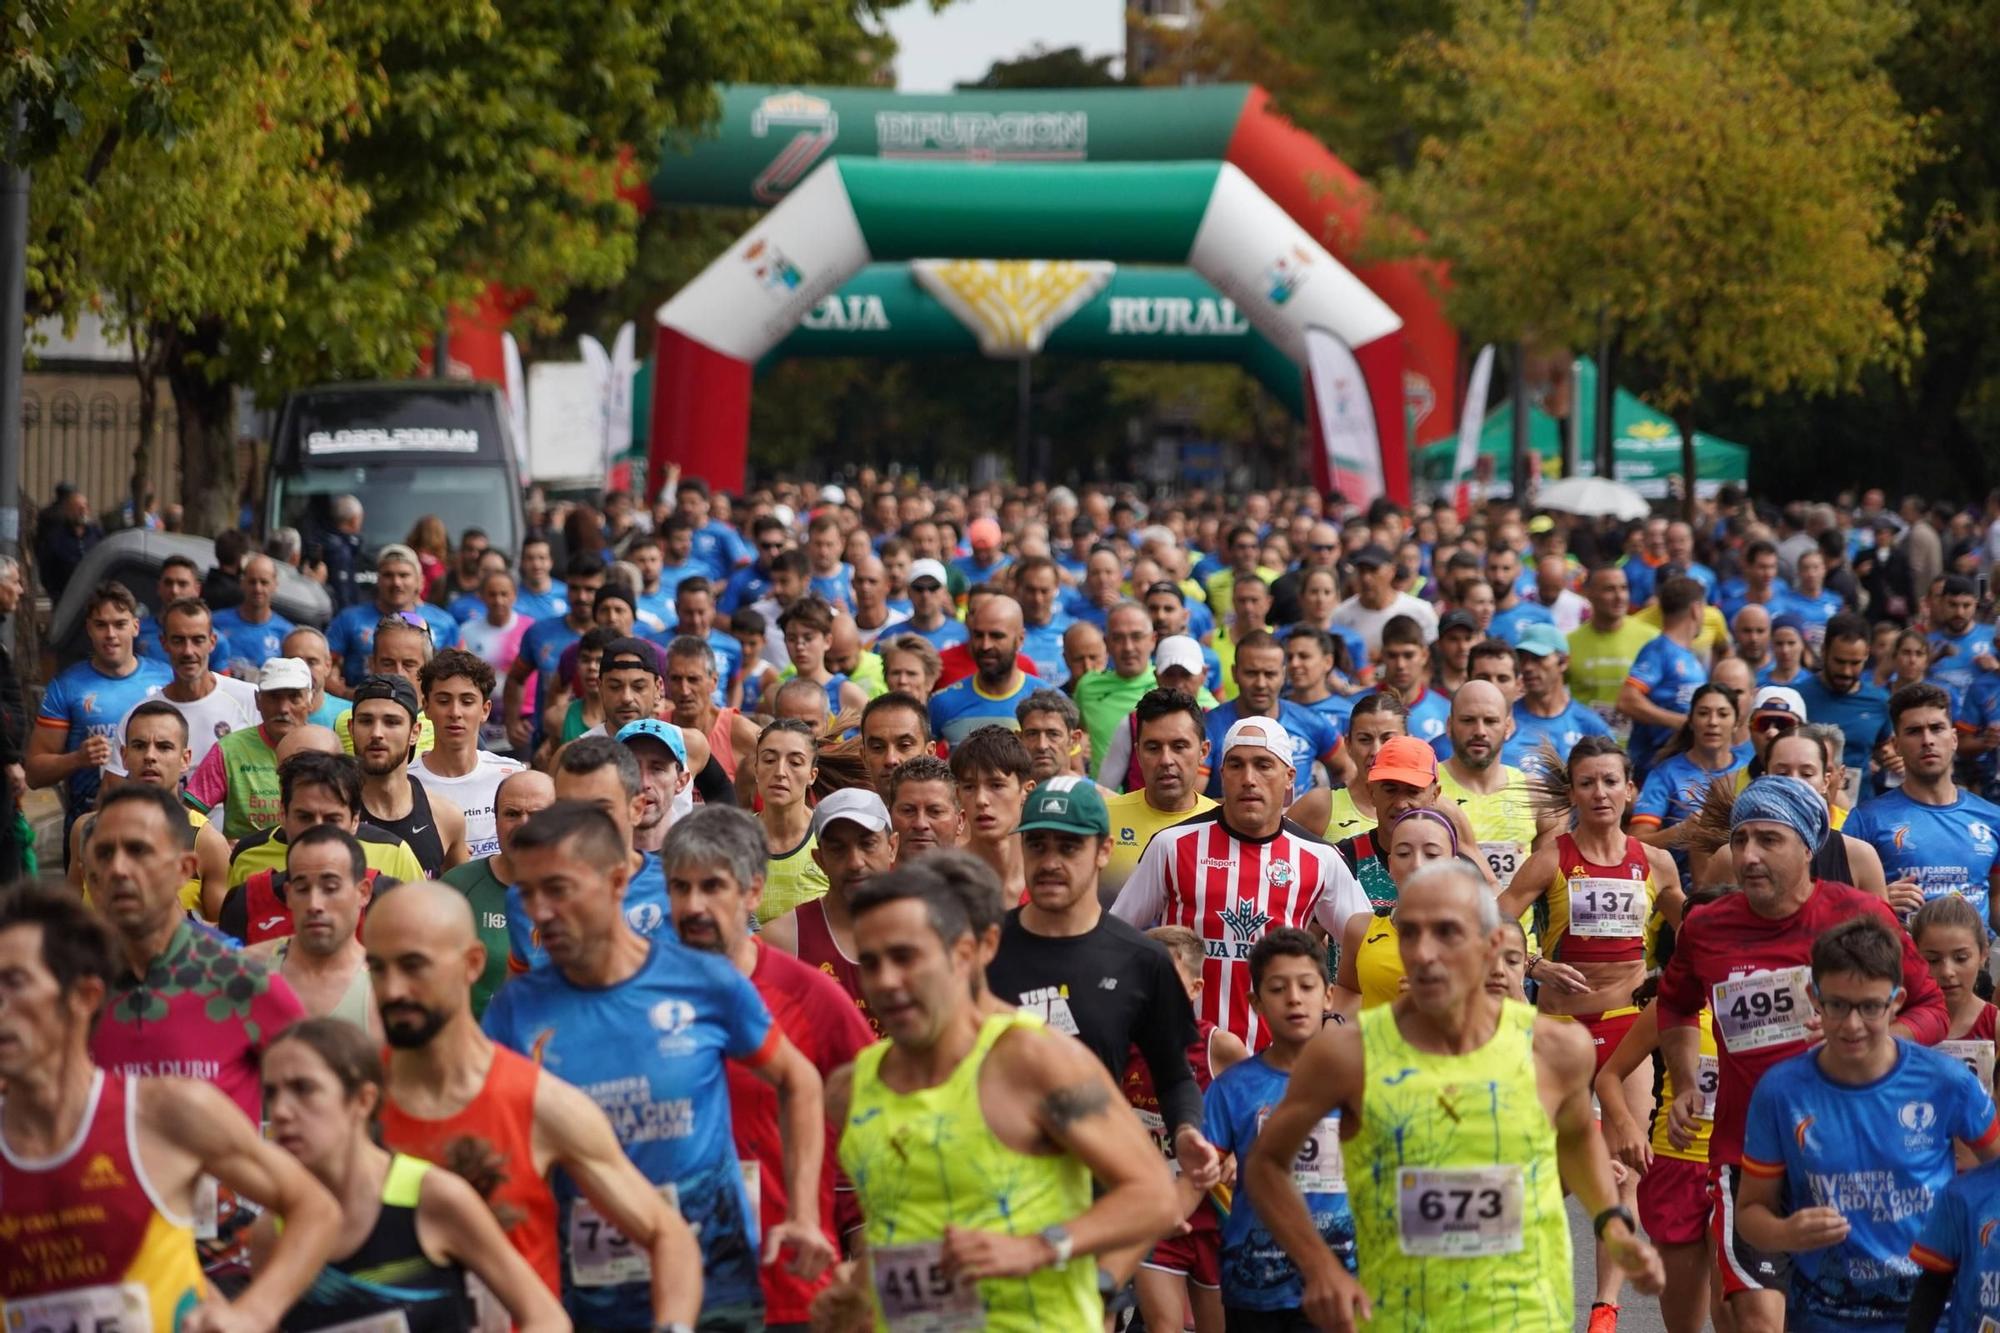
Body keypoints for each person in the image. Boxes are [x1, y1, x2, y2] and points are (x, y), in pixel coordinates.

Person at [1245, 859, 1664, 1332]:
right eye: (1410, 933)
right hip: (1399, 1318)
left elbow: (1576, 1138)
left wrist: (1610, 1219)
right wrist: (1318, 1266)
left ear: (1489, 947)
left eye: (1446, 932)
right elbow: (1264, 1165)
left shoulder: (1556, 1049)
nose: (1424, 952)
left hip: (1525, 1313)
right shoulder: (1347, 1054)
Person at [490, 801, 831, 1329]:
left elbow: (799, 1079)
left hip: (716, 1285)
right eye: (527, 894)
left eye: (558, 889)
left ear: (619, 880)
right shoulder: (515, 1011)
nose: (540, 912)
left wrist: (804, 1214)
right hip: (589, 1295)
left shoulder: (702, 981)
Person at [825, 863, 1183, 1331]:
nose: (887, 980)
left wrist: (1038, 1247)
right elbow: (902, 1226)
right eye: (870, 962)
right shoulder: (852, 1088)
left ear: (965, 953)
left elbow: (1156, 1196)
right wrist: (856, 1295)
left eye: (906, 957)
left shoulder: (1031, 1059)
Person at [1657, 777, 1948, 1333]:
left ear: (1808, 846)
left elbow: (1929, 1005)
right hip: (1750, 1160)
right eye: (1740, 840)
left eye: (1768, 839)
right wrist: (1687, 1078)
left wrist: (1884, 1040)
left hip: (1852, 1161)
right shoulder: (1707, 927)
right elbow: (1673, 1003)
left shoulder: (1860, 917)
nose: (1748, 856)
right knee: (1760, 1321)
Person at [0, 881, 342, 1333]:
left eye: (15, 982)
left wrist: (253, 1313)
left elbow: (314, 1209)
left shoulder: (162, 1112)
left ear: (83, 998)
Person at [366, 881, 704, 1323]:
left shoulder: (538, 1101)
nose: (393, 990)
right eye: (377, 968)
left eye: (414, 966)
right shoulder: (352, 1100)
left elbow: (668, 1234)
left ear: (472, 964)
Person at [663, 805, 876, 1331]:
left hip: (789, 1287)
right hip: (666, 1289)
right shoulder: (639, 997)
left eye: (713, 886)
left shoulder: (810, 996)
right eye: (679, 888)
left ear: (753, 891)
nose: (694, 905)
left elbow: (887, 1120)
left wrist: (866, 1246)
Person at [1736, 917, 2000, 1328]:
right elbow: (1751, 1212)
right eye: (1837, 1005)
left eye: (1870, 1007)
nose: (1852, 1024)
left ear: (1897, 1001)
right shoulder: (1781, 1092)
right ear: (1813, 997)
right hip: (1825, 1314)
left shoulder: (1946, 1082)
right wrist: (1785, 1233)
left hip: (1937, 1311)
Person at [987, 776, 1227, 1181]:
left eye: (1069, 847)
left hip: (1102, 1184)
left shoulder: (1143, 960)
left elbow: (1173, 1076)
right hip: (999, 1187)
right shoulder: (980, 951)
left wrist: (1186, 1130)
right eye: (1037, 845)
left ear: (1104, 851)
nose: (1049, 862)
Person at [1110, 716, 1368, 1047]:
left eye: (1263, 765)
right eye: (1236, 765)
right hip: (1185, 1056)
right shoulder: (1173, 845)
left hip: (1278, 1061)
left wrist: (1333, 1017)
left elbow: (1369, 950)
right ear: (1222, 774)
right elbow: (1116, 937)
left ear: (1289, 777)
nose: (1248, 779)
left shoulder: (1321, 858)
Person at [1203, 928, 1358, 1329]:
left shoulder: (1362, 1082)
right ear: (1256, 1002)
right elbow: (1196, 1178)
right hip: (1256, 1293)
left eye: (1306, 985)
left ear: (1327, 995)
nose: (1294, 998)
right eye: (1277, 988)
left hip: (1347, 1288)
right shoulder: (1231, 1089)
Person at [220, 748, 427, 944]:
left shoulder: (387, 898)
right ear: (283, 815)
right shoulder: (245, 900)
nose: (317, 829)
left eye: (332, 818)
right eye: (305, 817)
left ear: (355, 821)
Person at [1846, 682, 2000, 929]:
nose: (1927, 740)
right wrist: (1875, 900)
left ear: (1953, 739)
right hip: (1898, 962)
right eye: (1914, 731)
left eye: (1936, 728)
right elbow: (1835, 903)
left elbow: (1996, 899)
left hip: (1975, 965)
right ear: (1896, 746)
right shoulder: (1866, 820)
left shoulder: (1993, 818)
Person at [28, 581, 170, 843]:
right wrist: (77, 759)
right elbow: (34, 773)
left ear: (135, 627)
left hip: (158, 824)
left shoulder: (166, 679)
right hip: (91, 827)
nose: (111, 634)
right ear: (89, 629)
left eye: (120, 624)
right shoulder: (68, 686)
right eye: (101, 625)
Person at [71, 701, 231, 919]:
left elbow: (224, 933)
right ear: (124, 757)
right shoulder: (87, 829)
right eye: (139, 746)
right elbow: (68, 920)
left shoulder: (206, 842)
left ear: (185, 759)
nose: (150, 756)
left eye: (164, 747)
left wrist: (181, 925)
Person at [762, 787, 899, 1033]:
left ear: (892, 847)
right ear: (819, 859)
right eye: (838, 849)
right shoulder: (783, 938)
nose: (855, 862)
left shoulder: (925, 928)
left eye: (867, 844)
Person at [1328, 807, 1470, 1014]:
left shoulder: (1481, 934)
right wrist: (1336, 1022)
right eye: (1404, 853)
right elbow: (1348, 991)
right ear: (1391, 865)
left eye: (1431, 854)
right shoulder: (1360, 928)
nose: (1417, 864)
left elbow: (1511, 1009)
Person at [244, 824, 380, 1037]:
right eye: (302, 889)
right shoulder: (246, 972)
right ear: (288, 895)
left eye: (330, 888)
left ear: (363, 892)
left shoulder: (384, 990)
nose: (314, 904)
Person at [440, 767, 553, 1018]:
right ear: (496, 820)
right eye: (512, 814)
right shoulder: (457, 887)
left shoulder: (583, 892)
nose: (524, 825)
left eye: (537, 814)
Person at [112, 597, 258, 774]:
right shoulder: (140, 717)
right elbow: (112, 791)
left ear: (212, 642)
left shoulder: (251, 699)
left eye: (198, 640)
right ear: (164, 643)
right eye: (178, 640)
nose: (188, 651)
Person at [1203, 630, 1351, 800]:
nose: (1260, 683)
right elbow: (1191, 801)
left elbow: (1346, 768)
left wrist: (1327, 813)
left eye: (1270, 674)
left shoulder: (1310, 722)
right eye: (1251, 673)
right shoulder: (1209, 727)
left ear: (1283, 674)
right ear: (1235, 673)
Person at [181, 655, 315, 841]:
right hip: (246, 865)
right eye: (274, 698)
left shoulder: (324, 747)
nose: (284, 708)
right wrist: (217, 847)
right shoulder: (230, 750)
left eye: (294, 698)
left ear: (310, 700)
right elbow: (188, 816)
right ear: (257, 701)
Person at [1631, 682, 1753, 885]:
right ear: (1690, 721)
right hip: (1678, 887)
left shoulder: (1750, 770)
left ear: (1737, 723)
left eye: (1723, 714)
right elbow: (1634, 843)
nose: (1712, 722)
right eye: (1703, 713)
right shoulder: (1665, 774)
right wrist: (1680, 833)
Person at [1102, 688, 1217, 901]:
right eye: (1153, 748)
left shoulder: (1223, 825)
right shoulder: (1103, 820)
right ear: (1137, 753)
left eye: (1179, 746)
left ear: (1203, 751)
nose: (1166, 760)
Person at [410, 648, 525, 859]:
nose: (455, 713)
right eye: (443, 701)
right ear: (426, 707)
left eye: (467, 701)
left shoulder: (512, 776)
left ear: (485, 710)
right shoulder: (408, 782)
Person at [352, 673, 469, 878]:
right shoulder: (331, 815)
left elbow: (461, 900)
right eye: (366, 721)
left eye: (392, 722)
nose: (377, 733)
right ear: (351, 729)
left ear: (415, 732)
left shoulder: (445, 816)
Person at [1434, 679, 1542, 887]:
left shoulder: (1533, 792)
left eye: (1491, 721)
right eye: (1468, 720)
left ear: (1508, 726)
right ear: (1449, 725)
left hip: (1519, 920)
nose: (1480, 731)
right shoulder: (1426, 789)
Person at [505, 553, 605, 750]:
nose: (582, 597)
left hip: (604, 744)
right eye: (575, 588)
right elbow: (516, 678)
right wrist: (512, 722)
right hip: (547, 744)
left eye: (590, 590)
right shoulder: (539, 633)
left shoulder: (615, 638)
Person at [326, 544, 459, 689]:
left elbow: (460, 671)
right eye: (388, 575)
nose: (396, 583)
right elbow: (324, 667)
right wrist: (346, 694)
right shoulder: (349, 619)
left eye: (404, 575)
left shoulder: (444, 622)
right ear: (378, 580)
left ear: (419, 581)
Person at [1795, 612, 1892, 803]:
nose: (1847, 672)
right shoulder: (1798, 697)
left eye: (1855, 663)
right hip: (1808, 804)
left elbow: (1885, 750)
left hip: (1861, 809)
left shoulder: (1880, 701)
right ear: (1824, 651)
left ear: (1867, 655)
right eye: (1839, 661)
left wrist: (1893, 760)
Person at [1619, 575, 1709, 779]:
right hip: (1653, 765)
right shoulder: (1658, 651)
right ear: (1696, 609)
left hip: (1682, 764)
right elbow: (1626, 700)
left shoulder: (1688, 656)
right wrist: (1681, 722)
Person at [1288, 692, 1409, 843]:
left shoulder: (1430, 807)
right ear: (1348, 744)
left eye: (1387, 739)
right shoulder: (1320, 805)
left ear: (1409, 742)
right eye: (1365, 740)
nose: (1376, 751)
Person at [1911, 893, 1998, 1098]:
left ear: (1983, 955)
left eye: (1961, 958)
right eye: (1932, 960)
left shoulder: (1995, 1025)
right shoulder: (1899, 1024)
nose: (1947, 971)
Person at [752, 717, 832, 924]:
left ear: (812, 775)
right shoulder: (733, 840)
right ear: (755, 769)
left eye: (795, 763)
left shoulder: (829, 839)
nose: (780, 772)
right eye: (769, 760)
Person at [1567, 564, 1658, 746]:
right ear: (1589, 593)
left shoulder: (1652, 638)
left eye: (1624, 588)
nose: (1620, 597)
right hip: (1589, 750)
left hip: (1640, 749)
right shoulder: (1569, 643)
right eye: (1609, 589)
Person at [948, 725, 1034, 901]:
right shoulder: (942, 879)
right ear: (958, 795)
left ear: (1027, 791)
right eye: (969, 787)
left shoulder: (1049, 876)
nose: (981, 800)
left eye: (996, 785)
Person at [1508, 622, 1612, 768]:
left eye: (1538, 658)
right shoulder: (1507, 721)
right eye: (1522, 659)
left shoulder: (1589, 725)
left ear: (1563, 662)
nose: (1527, 667)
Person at [1078, 603, 1158, 771]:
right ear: (1106, 643)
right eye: (1118, 638)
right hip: (1103, 795)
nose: (1128, 647)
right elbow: (1077, 735)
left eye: (1136, 637)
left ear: (1153, 640)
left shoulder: (1171, 683)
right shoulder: (1087, 687)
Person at [1330, 543, 1438, 655]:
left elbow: (1433, 658)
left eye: (1373, 570)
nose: (1366, 578)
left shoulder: (1420, 611)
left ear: (1391, 571)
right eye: (1362, 571)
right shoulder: (1341, 615)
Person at [209, 554, 296, 678]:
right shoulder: (215, 622)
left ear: (275, 585)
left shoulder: (287, 634)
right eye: (252, 582)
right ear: (242, 583)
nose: (258, 588)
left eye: (264, 582)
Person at [1371, 614, 1452, 742]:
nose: (1400, 665)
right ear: (1382, 656)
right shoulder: (1355, 707)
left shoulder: (1446, 711)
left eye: (1408, 655)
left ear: (1424, 655)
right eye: (1392, 655)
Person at [887, 754, 962, 864]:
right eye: (908, 811)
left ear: (960, 821)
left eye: (935, 812)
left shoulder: (984, 880)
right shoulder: (869, 879)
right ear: (888, 816)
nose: (920, 824)